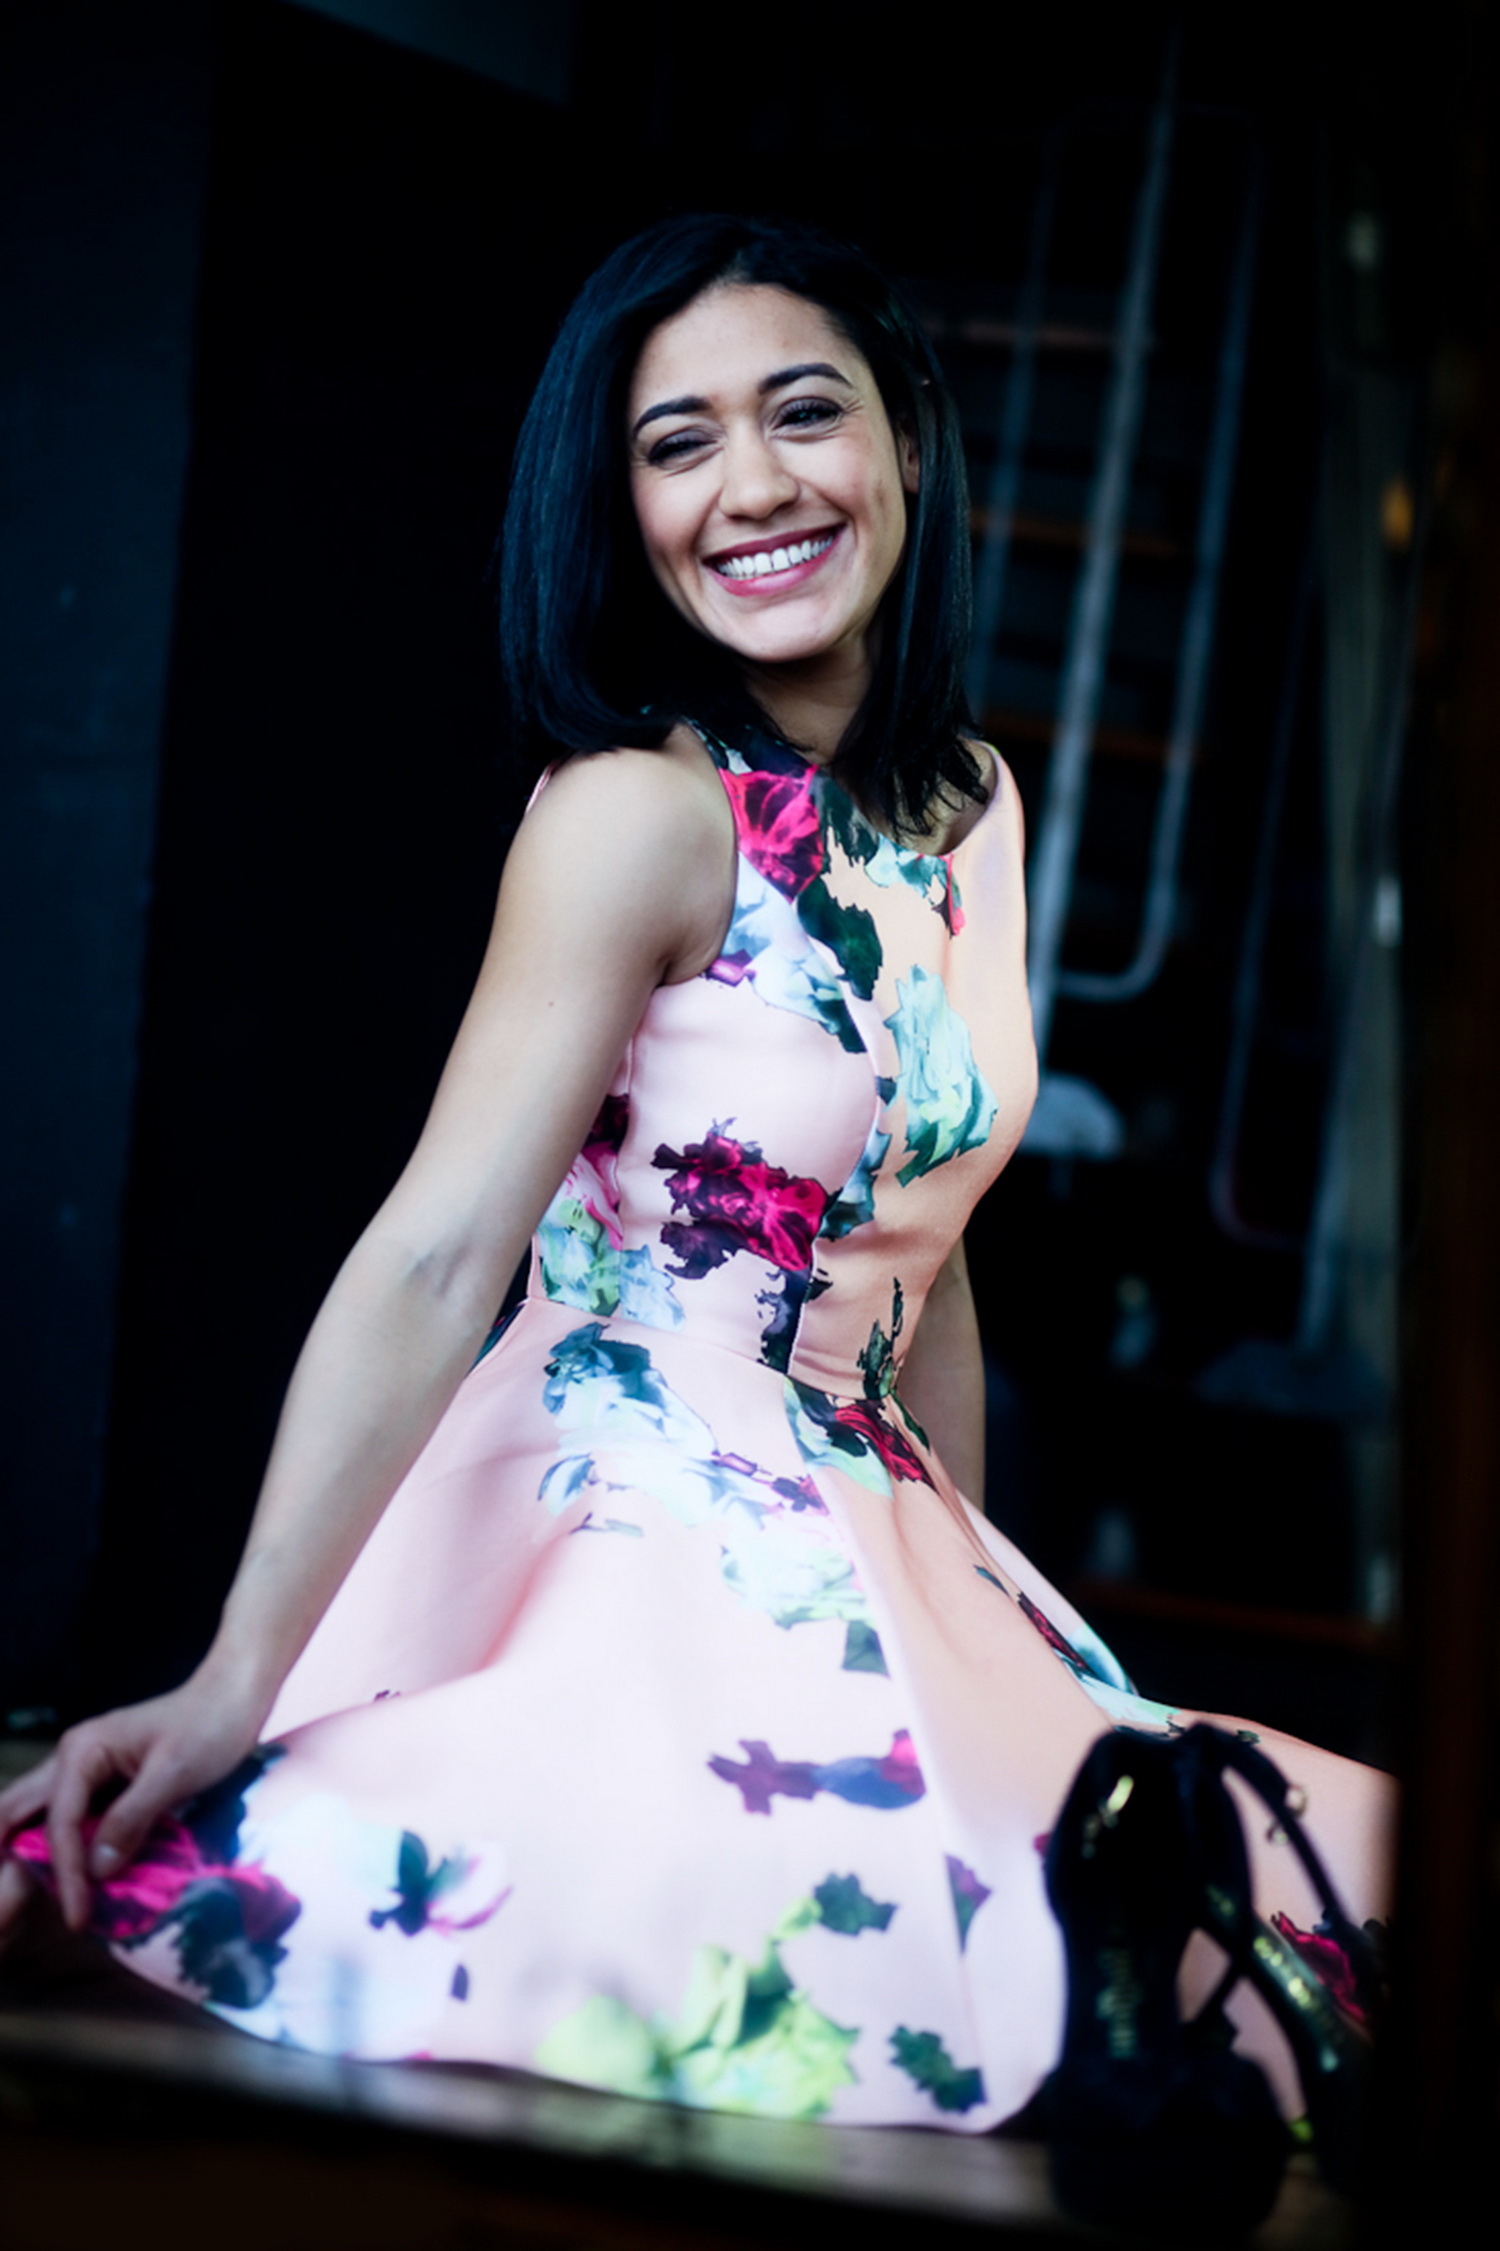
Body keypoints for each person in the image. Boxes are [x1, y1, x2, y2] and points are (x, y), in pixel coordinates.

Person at [0, 214, 1391, 2132]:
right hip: (631, 1515)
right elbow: (437, 1253)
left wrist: (970, 1616)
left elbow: (932, 1250)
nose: (752, 487)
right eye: (679, 444)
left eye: (803, 413)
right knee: (762, 1935)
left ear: (908, 440)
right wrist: (237, 1675)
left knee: (1267, 1880)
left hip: (871, 1518)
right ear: (625, 508)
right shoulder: (637, 815)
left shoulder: (971, 803)